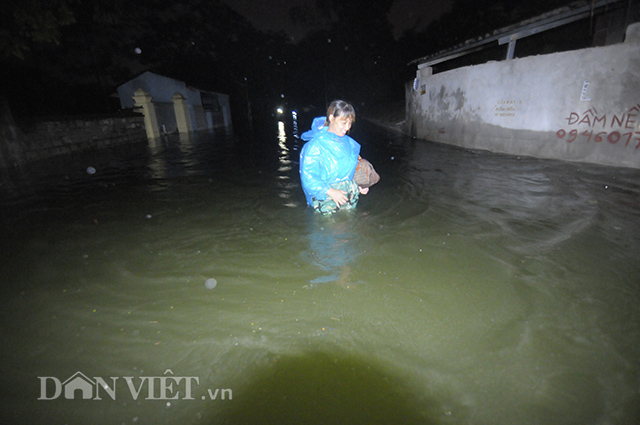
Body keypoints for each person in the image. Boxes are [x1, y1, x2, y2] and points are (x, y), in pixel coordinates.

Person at [299, 100, 369, 215]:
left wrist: (360, 185)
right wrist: (330, 191)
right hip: (325, 201)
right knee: (329, 229)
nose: (347, 128)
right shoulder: (315, 145)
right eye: (343, 122)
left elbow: (352, 170)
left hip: (348, 200)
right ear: (331, 118)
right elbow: (308, 177)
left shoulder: (349, 143)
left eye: (350, 123)